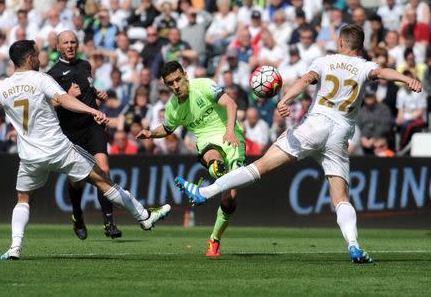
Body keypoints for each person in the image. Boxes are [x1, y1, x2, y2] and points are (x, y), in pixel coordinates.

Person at [175, 24, 422, 264]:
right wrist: (406, 79)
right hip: (339, 135)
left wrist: (286, 99)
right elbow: (381, 73)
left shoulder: (325, 61)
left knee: (261, 166)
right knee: (340, 197)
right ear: (361, 47)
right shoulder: (364, 66)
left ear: (340, 43)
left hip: (314, 127)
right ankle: (354, 245)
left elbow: (305, 81)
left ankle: (204, 192)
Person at [0, 40, 171, 260]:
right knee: (103, 179)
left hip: (30, 157)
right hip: (59, 149)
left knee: (23, 199)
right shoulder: (42, 79)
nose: (41, 58)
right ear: (30, 58)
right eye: (38, 54)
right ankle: (144, 217)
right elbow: (64, 100)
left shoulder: (2, 87)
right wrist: (92, 110)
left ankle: (15, 247)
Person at [137, 61, 245, 257]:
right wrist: (151, 133)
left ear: (185, 75)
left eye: (178, 79)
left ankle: (214, 239)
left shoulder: (203, 85)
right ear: (166, 85)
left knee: (230, 201)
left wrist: (229, 131)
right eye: (170, 83)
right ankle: (207, 184)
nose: (176, 86)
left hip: (232, 137)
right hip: (206, 142)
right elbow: (168, 128)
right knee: (215, 162)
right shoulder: (173, 108)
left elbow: (230, 103)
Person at [47, 30, 121, 240]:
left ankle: (109, 222)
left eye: (73, 42)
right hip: (71, 133)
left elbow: (88, 88)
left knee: (104, 170)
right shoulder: (52, 74)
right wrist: (64, 98)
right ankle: (77, 215)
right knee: (77, 181)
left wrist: (98, 95)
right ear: (58, 47)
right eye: (66, 43)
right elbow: (46, 105)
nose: (70, 46)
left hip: (91, 127)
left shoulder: (85, 65)